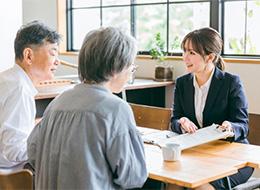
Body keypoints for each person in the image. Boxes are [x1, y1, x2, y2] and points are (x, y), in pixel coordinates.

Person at [27, 27, 148, 189]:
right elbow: (133, 176)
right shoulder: (116, 109)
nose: (130, 73)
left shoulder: (57, 103)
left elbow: (33, 153)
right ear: (115, 67)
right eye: (131, 66)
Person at [171, 27, 253, 190]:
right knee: (173, 183)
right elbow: (174, 120)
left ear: (210, 57)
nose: (185, 57)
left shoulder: (231, 83)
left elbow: (242, 125)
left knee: (200, 187)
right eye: (184, 51)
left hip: (232, 158)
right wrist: (181, 121)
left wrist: (230, 127)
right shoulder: (182, 83)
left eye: (192, 53)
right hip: (196, 155)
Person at [0, 21, 60, 168]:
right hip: (10, 176)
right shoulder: (20, 90)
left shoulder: (8, 79)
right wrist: (51, 143)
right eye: (52, 53)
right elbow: (13, 152)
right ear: (28, 56)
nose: (57, 62)